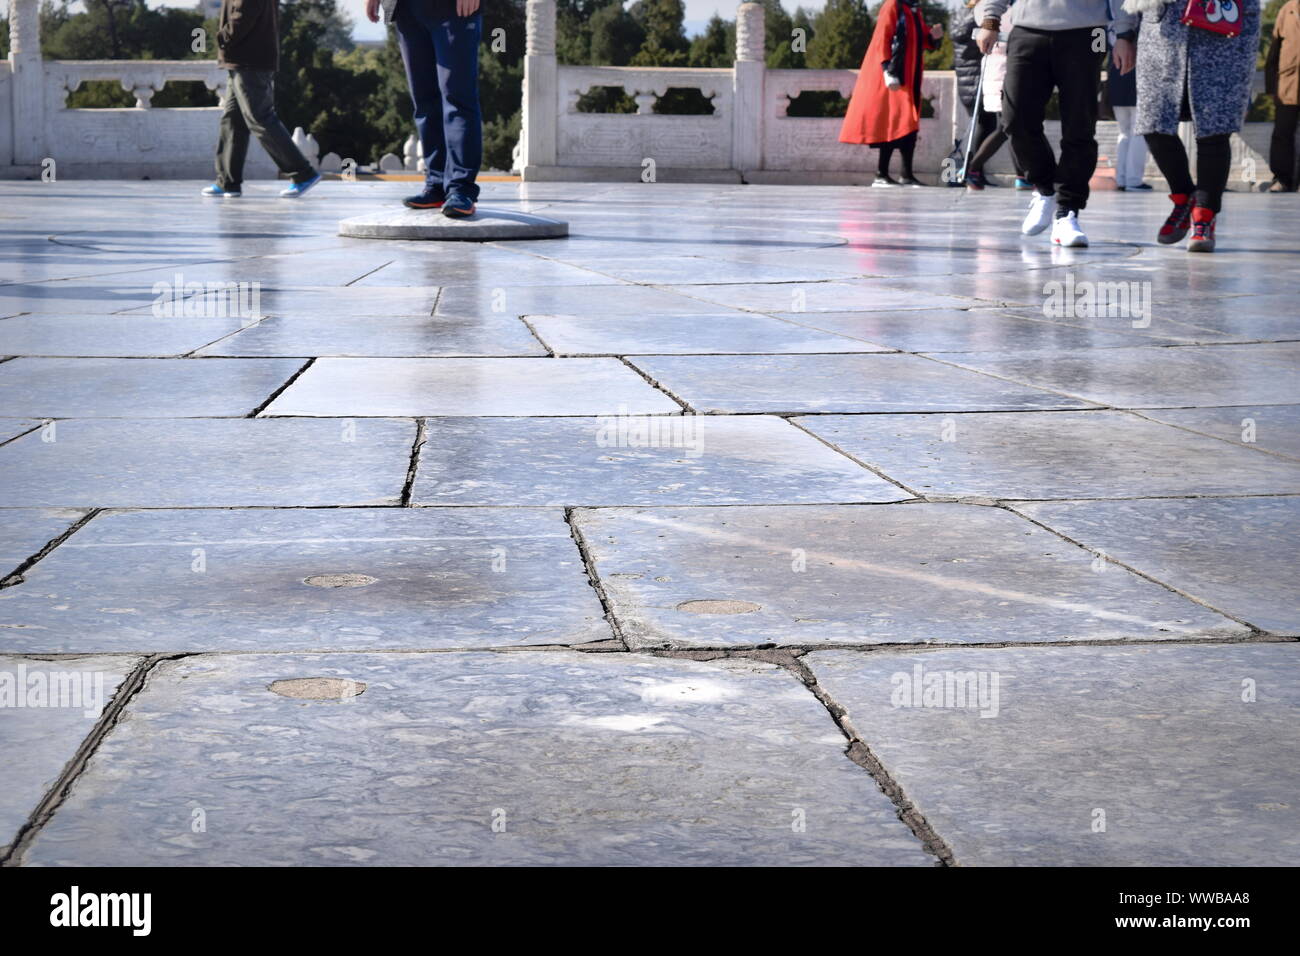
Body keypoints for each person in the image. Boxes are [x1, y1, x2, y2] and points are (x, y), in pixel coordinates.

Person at [1112, 0, 1261, 253]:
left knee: (1214, 130)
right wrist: (1124, 34)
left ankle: (1204, 215)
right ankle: (1184, 197)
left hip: (1224, 30)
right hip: (1161, 32)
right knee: (1153, 124)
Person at [975, 0, 1115, 247]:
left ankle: (1067, 210)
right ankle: (1044, 187)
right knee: (1014, 117)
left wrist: (1124, 32)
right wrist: (990, 19)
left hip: (1093, 31)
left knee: (1080, 122)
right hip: (1027, 27)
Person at [370, 0, 483, 218]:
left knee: (458, 98)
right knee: (424, 100)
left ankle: (461, 189)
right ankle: (436, 185)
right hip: (407, 9)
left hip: (453, 10)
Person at [204, 0, 321, 199]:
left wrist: (223, 38)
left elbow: (244, 13)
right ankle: (227, 182)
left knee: (260, 117)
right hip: (241, 59)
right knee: (232, 120)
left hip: (250, 60)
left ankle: (303, 173)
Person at [840, 0, 944, 187]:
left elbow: (919, 39)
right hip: (893, 75)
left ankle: (907, 174)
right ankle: (881, 174)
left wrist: (933, 37)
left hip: (910, 76)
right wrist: (887, 69)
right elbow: (883, 38)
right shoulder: (893, 6)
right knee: (890, 122)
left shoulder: (913, 10)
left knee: (909, 124)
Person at [953, 0, 1026, 189]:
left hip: (995, 71)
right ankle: (972, 169)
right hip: (1002, 72)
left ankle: (1022, 175)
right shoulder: (990, 11)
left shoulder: (973, 11)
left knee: (1009, 126)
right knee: (1005, 126)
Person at [1106, 22, 1150, 191]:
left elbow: (1096, 48)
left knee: (1124, 132)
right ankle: (1133, 179)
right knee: (1138, 132)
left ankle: (1122, 178)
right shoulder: (1136, 18)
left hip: (1115, 77)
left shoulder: (1105, 16)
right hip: (1137, 77)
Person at [1265, 0, 1299, 192]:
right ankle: (1281, 179)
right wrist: (1271, 88)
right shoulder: (1287, 10)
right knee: (1282, 134)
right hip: (1287, 86)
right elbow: (1274, 53)